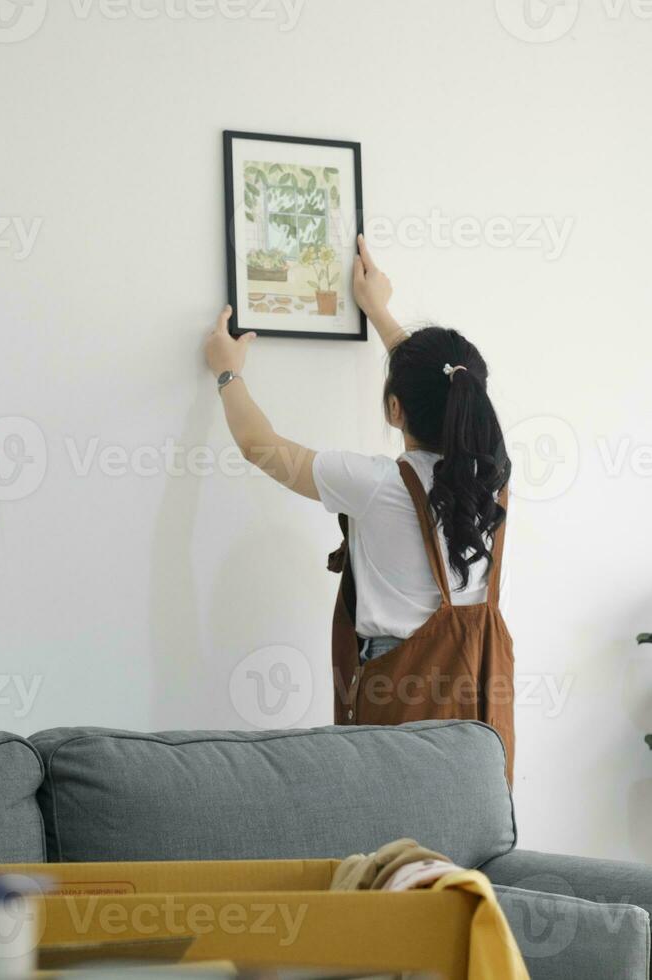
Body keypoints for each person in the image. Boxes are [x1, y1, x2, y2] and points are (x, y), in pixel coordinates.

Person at [204, 235, 516, 779]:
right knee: (469, 815)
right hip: (483, 695)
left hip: (401, 690)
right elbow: (445, 380)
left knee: (392, 821)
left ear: (395, 410)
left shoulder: (376, 485)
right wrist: (380, 312)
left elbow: (259, 447)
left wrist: (227, 371)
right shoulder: (494, 475)